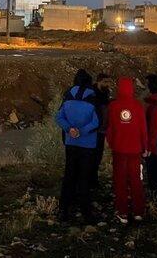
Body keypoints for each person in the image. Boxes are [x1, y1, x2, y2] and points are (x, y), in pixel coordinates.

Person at [55, 69, 99, 222]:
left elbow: (58, 117)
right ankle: (86, 212)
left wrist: (70, 129)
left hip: (71, 143)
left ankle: (64, 209)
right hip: (87, 144)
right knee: (84, 177)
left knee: (69, 175)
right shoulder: (93, 96)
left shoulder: (68, 95)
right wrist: (82, 131)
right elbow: (96, 122)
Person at [106, 77, 148, 224]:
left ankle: (123, 212)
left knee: (120, 181)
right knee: (136, 180)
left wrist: (111, 143)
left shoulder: (113, 106)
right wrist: (145, 147)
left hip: (119, 150)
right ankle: (138, 212)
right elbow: (143, 129)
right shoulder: (138, 106)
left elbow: (110, 128)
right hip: (135, 150)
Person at [90, 73, 113, 190]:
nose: (108, 84)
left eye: (109, 82)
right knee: (92, 156)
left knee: (97, 156)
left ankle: (93, 180)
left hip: (102, 130)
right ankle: (90, 180)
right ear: (99, 81)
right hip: (93, 130)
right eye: (105, 82)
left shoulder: (106, 93)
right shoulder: (92, 94)